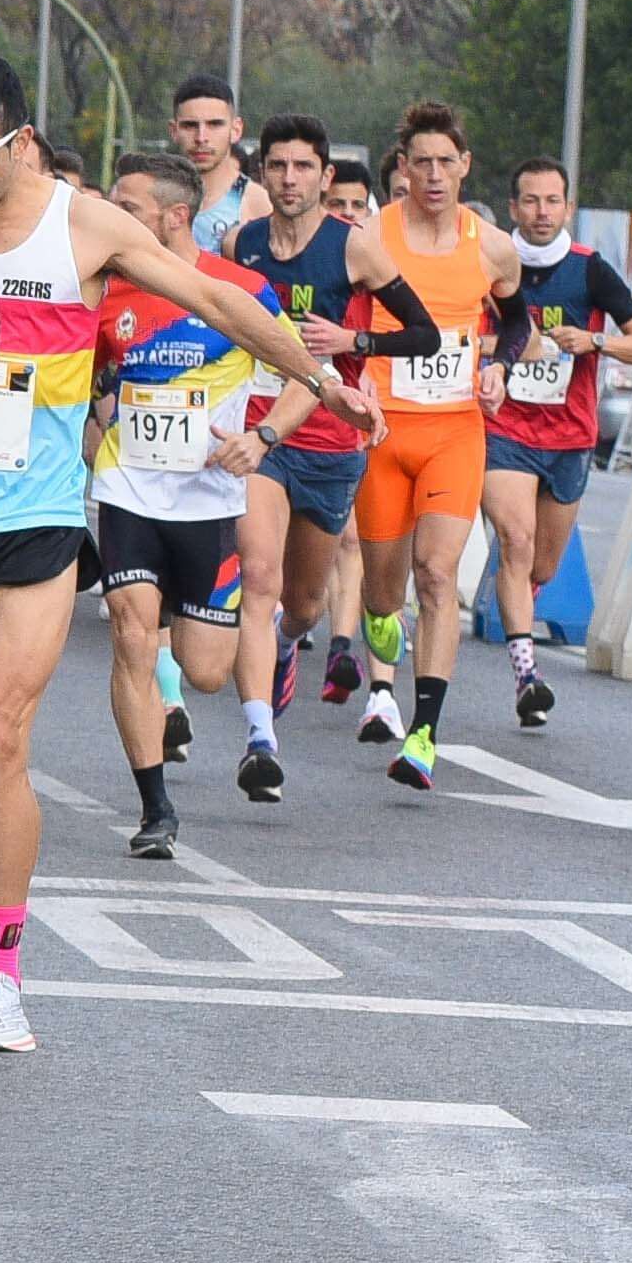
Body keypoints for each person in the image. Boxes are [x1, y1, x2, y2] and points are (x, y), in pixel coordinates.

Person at [0, 58, 346, 1046]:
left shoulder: (85, 226)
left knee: (0, 739)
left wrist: (318, 380)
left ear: (20, 142)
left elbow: (220, 304)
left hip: (35, 522)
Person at [91, 167, 293, 866]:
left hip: (208, 502)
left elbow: (305, 377)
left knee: (205, 671)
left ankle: (246, 642)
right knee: (130, 636)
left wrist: (261, 438)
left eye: (127, 206)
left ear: (173, 216)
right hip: (127, 492)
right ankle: (155, 808)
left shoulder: (240, 290)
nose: (111, 214)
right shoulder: (107, 288)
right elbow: (82, 374)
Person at [346, 102, 529, 786]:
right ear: (402, 167)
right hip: (383, 430)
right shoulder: (371, 238)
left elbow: (517, 322)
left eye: (444, 162)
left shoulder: (491, 246)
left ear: (464, 166)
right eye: (419, 162)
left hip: (455, 430)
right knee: (382, 592)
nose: (431, 174)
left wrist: (498, 365)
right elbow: (343, 315)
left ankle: (423, 733)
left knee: (436, 573)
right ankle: (378, 622)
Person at [211, 111, 383, 798]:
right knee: (257, 578)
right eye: (277, 166)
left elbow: (425, 335)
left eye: (303, 167)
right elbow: (215, 320)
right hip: (259, 434)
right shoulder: (240, 243)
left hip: (330, 443)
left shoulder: (354, 249)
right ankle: (259, 740)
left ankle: (287, 643)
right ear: (262, 173)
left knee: (304, 603)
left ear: (324, 175)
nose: (289, 178)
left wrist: (354, 344)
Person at [485, 156, 632, 721]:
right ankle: (526, 675)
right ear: (514, 208)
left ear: (568, 208)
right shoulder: (493, 264)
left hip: (569, 437)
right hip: (505, 428)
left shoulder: (590, 270)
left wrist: (594, 341)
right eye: (531, 201)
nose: (541, 212)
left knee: (541, 566)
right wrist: (505, 348)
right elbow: (458, 332)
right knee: (515, 540)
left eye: (552, 201)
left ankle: (519, 613)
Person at [170, 74, 252, 249]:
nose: (201, 138)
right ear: (174, 130)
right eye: (190, 125)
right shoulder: (155, 198)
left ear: (236, 130)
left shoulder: (256, 202)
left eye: (214, 124)